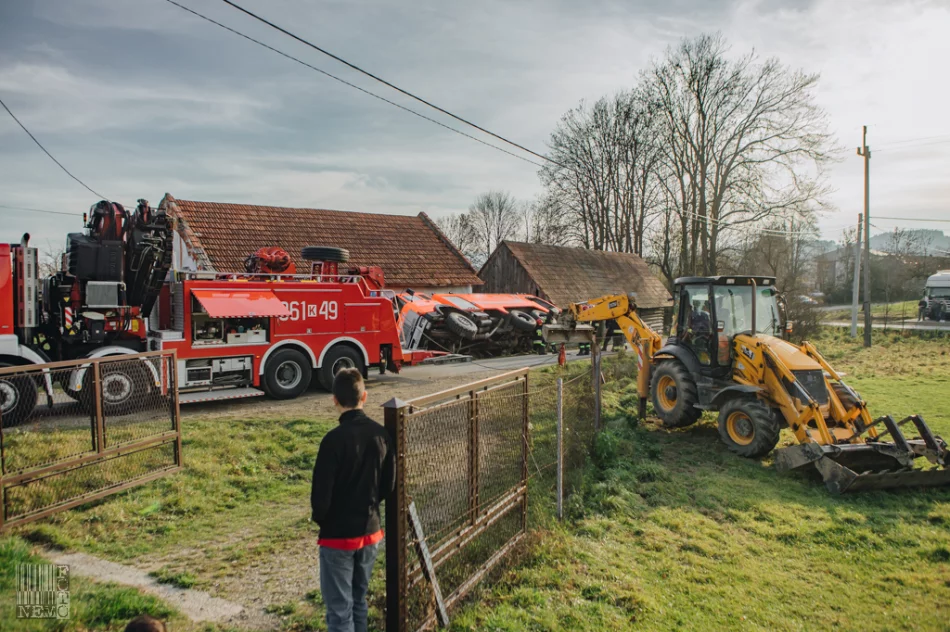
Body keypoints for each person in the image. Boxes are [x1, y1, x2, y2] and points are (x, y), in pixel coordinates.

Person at [311, 368, 395, 632]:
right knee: (359, 601)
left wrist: (323, 518)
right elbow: (388, 485)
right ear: (365, 396)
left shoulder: (332, 441)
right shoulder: (381, 434)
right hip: (370, 532)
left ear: (334, 399)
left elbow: (320, 497)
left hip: (338, 536)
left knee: (339, 610)